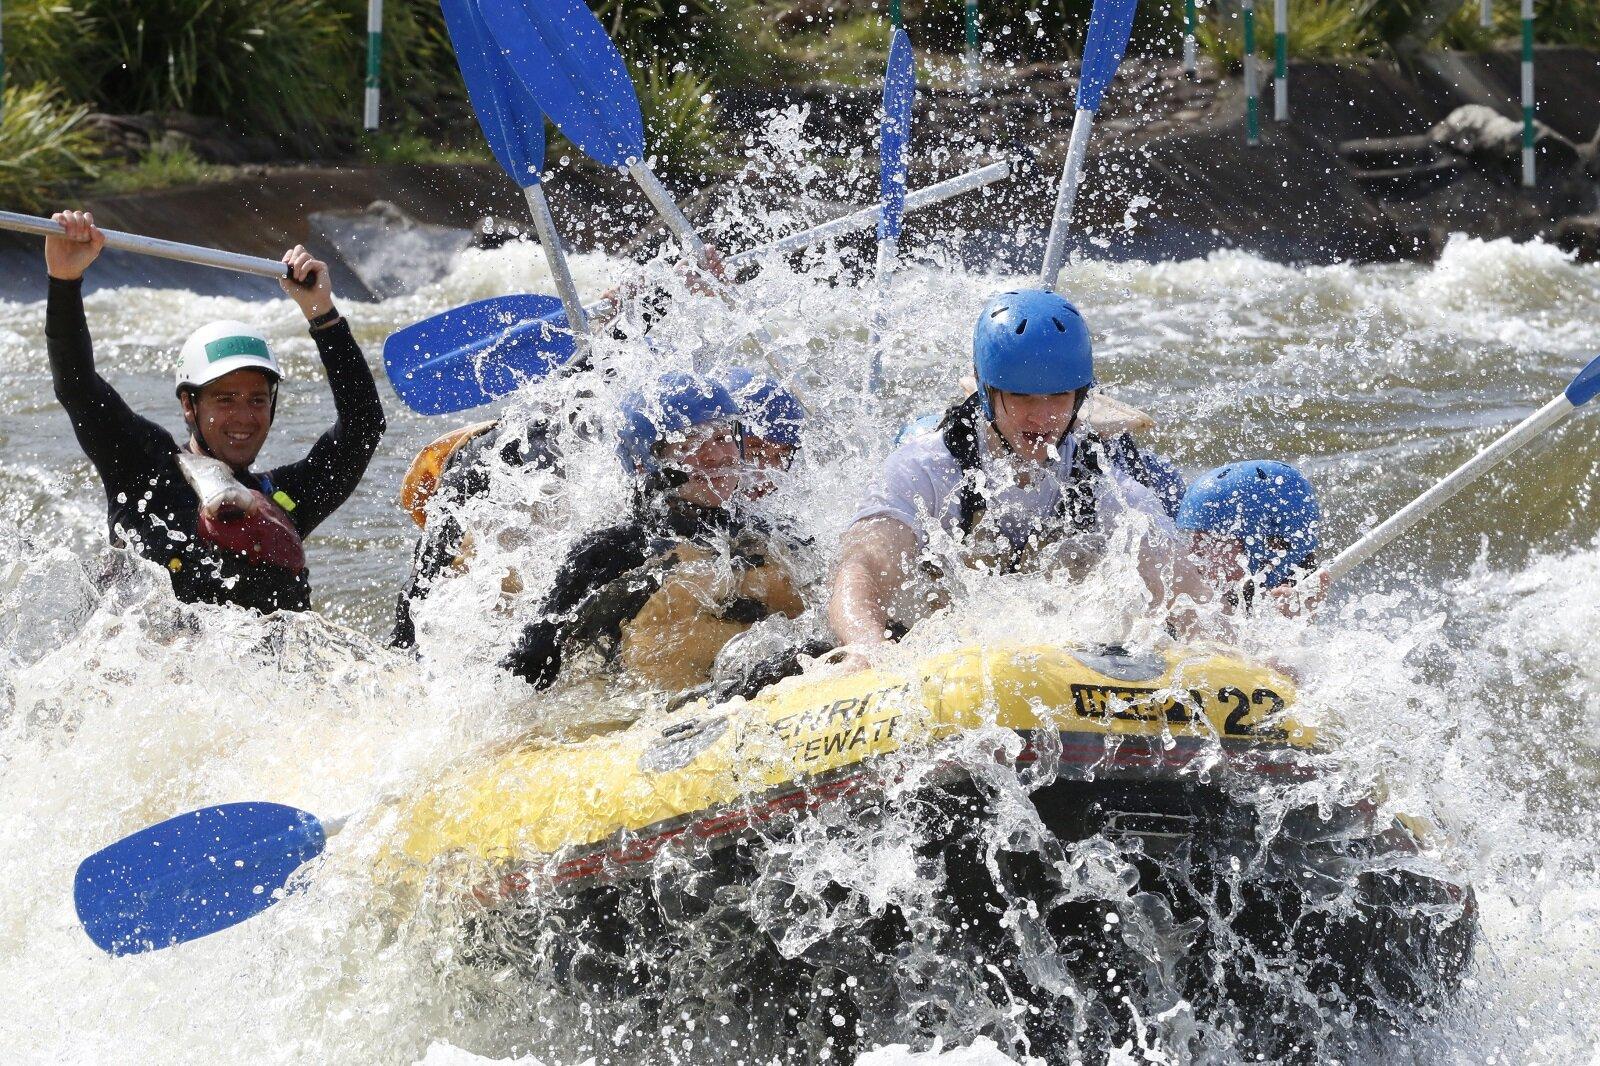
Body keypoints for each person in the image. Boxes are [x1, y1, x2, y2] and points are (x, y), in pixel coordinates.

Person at [828, 288, 1209, 654]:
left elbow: (1189, 595)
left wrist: (1216, 648)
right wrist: (866, 649)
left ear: (1080, 394)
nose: (1042, 418)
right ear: (986, 391)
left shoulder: (1102, 479)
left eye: (1058, 396)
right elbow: (862, 568)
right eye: (1021, 396)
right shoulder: (923, 467)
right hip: (927, 630)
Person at [43, 209, 386, 614]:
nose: (244, 417)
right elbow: (77, 386)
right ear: (189, 405)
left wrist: (322, 314)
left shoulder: (285, 499)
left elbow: (364, 426)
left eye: (257, 400)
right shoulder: (142, 467)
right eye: (225, 400)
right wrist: (64, 281)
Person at [499, 370, 813, 694]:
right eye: (691, 444)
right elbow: (526, 671)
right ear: (642, 465)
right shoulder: (606, 555)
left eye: (723, 439)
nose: (717, 456)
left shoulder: (769, 535)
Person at [1175, 460, 1323, 614]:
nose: (1193, 550)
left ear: (1271, 548)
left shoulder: (1294, 613)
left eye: (1209, 539)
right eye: (1194, 537)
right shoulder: (1193, 600)